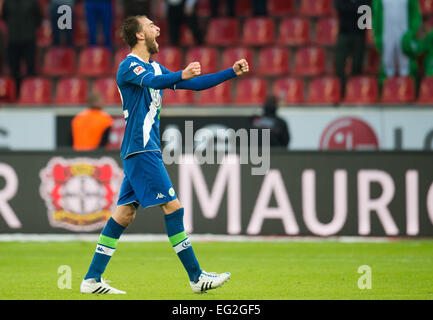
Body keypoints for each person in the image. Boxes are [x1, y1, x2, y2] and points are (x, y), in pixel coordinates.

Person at [80, 15, 249, 295]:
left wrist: (230, 72)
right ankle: (196, 277)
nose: (157, 28)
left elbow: (192, 84)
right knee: (174, 208)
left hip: (142, 150)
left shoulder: (155, 66)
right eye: (150, 25)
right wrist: (180, 74)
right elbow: (154, 82)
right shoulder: (129, 66)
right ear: (139, 36)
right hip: (142, 149)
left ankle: (92, 280)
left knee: (124, 215)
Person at [372, 0, 422, 84]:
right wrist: (377, 35)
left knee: (405, 61)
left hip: (404, 34)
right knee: (387, 61)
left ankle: (407, 86)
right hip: (387, 34)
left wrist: (411, 33)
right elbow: (376, 16)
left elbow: (415, 14)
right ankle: (387, 88)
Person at [1, 0, 42, 94]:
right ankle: (16, 94)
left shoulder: (32, 2)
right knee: (14, 69)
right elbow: (4, 16)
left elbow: (38, 17)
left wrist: (31, 28)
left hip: (29, 40)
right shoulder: (7, 2)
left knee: (30, 69)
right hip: (13, 40)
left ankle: (30, 94)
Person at [334, 0, 370, 97]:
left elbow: (367, 9)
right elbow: (339, 6)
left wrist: (350, 7)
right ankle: (341, 92)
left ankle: (354, 92)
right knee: (339, 64)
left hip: (359, 33)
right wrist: (356, 8)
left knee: (357, 65)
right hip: (344, 32)